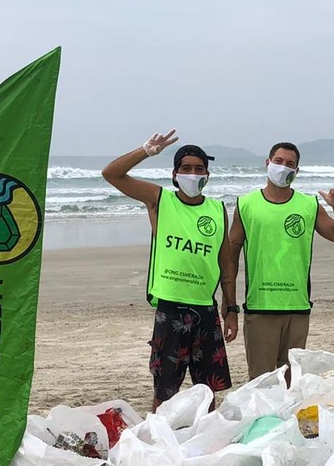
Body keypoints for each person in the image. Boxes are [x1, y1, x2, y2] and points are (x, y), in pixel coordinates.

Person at [102, 130, 239, 411]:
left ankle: (206, 443)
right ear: (175, 174)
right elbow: (112, 174)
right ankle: (159, 443)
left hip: (205, 309)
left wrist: (231, 308)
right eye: (186, 168)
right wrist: (145, 150)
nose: (193, 174)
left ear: (207, 176)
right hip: (171, 308)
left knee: (208, 392)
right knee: (165, 390)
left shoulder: (216, 209)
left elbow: (226, 263)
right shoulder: (159, 199)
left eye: (199, 169)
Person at [228, 142, 334, 380]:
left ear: (297, 170)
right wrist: (229, 305)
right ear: (268, 163)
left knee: (291, 382)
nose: (284, 167)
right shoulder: (246, 205)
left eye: (290, 164)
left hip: (298, 307)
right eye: (279, 161)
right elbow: (230, 259)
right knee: (262, 382)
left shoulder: (308, 205)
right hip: (260, 308)